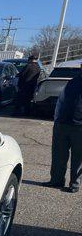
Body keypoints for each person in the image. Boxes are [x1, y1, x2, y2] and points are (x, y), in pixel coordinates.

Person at [43, 63, 82, 193]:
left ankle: (74, 184)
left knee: (78, 157)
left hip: (79, 127)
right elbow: (61, 100)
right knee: (58, 155)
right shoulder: (72, 82)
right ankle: (56, 180)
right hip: (62, 123)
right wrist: (56, 118)